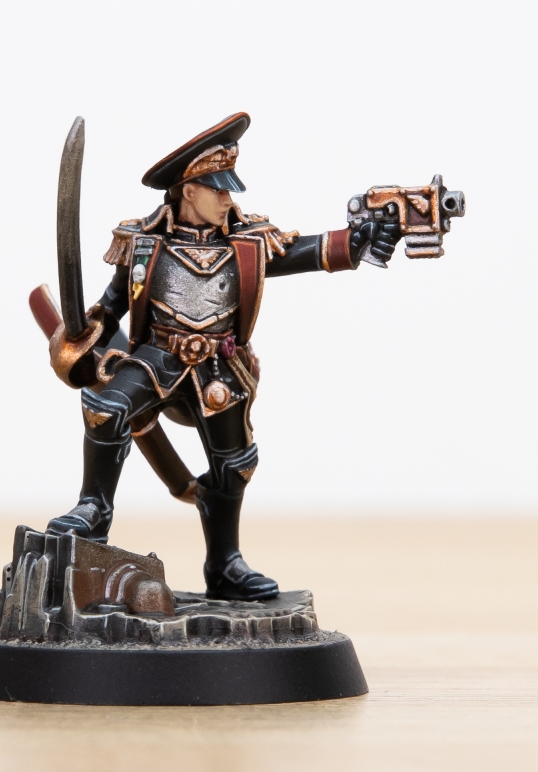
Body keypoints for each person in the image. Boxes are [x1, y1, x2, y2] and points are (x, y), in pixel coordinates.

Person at [46, 112, 400, 600]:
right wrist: (79, 342)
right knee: (105, 408)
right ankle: (93, 510)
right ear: (190, 191)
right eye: (219, 190)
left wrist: (358, 239)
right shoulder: (143, 243)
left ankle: (225, 565)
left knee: (235, 466)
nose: (229, 199)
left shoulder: (249, 243)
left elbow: (311, 251)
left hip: (218, 369)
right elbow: (110, 307)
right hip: (156, 360)